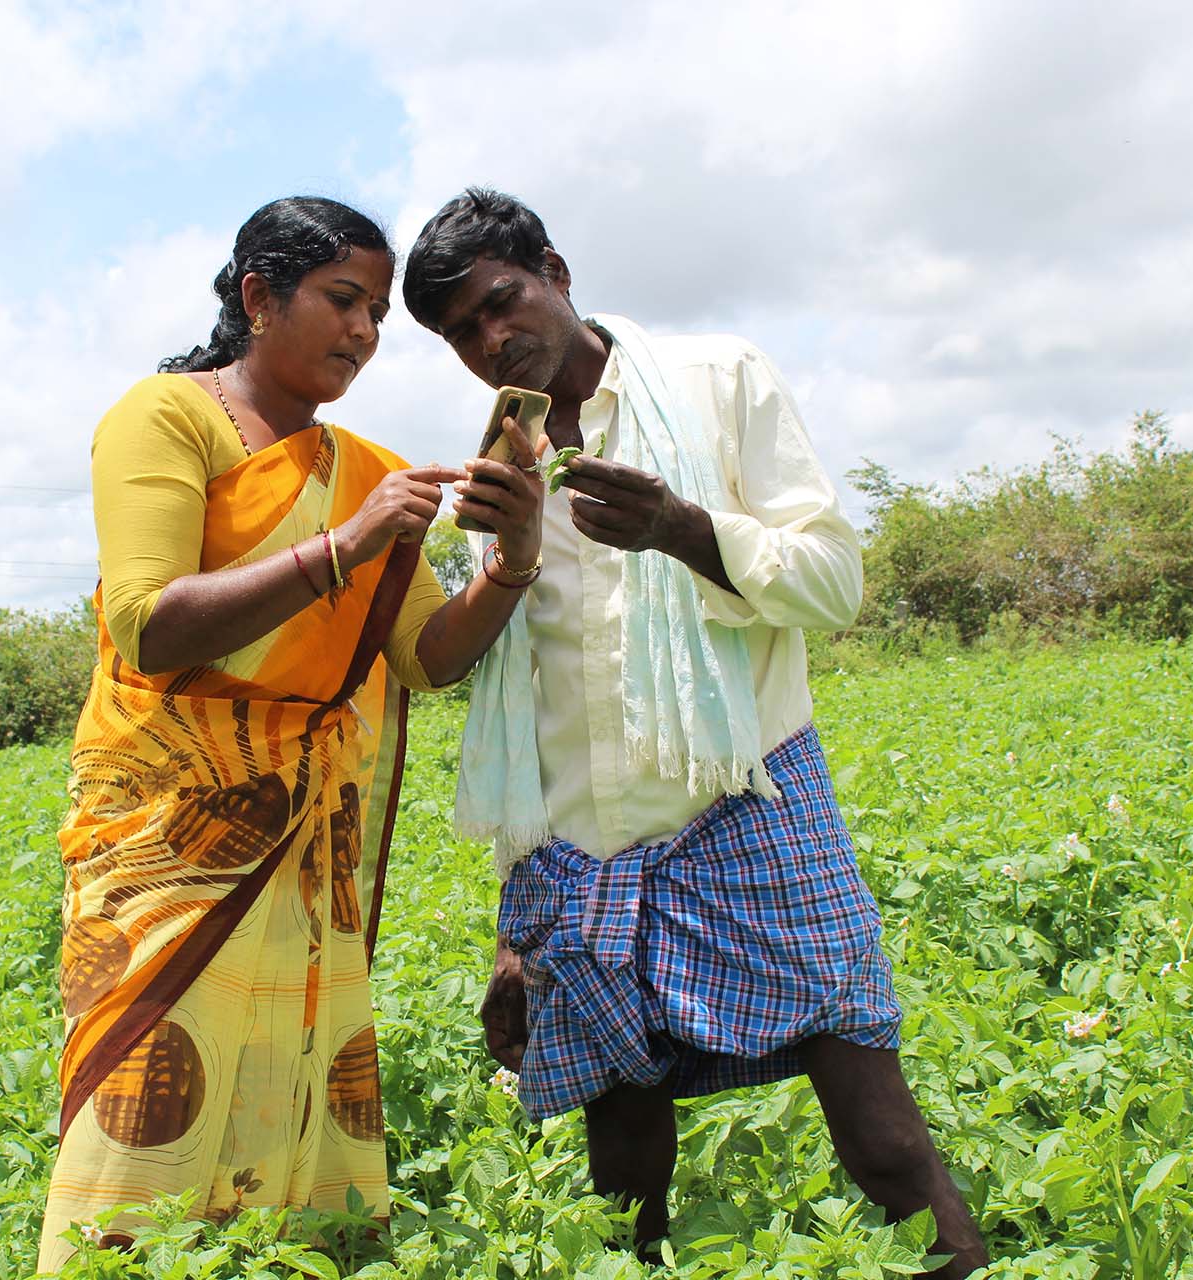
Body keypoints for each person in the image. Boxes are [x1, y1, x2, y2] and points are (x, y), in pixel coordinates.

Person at [401, 188, 988, 1276]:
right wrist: (515, 931)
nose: (492, 340)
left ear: (556, 272)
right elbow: (526, 700)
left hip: (744, 802)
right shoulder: (504, 464)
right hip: (583, 849)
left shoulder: (720, 381)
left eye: (502, 300)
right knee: (624, 1160)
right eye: (462, 332)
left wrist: (680, 527)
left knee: (883, 1136)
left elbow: (833, 583)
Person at [37, 195, 546, 1272]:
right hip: (167, 822)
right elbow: (148, 623)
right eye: (343, 300)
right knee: (142, 1079)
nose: (363, 331)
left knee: (284, 1078)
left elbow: (427, 656)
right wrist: (345, 547)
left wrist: (513, 557)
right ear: (260, 297)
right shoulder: (166, 417)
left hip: (306, 828)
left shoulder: (366, 469)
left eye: (377, 315)